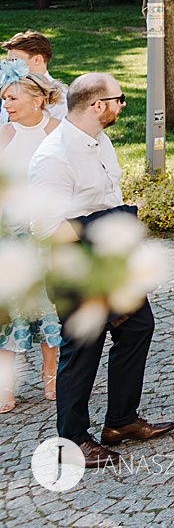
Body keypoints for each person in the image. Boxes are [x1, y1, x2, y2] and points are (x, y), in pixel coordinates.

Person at [28, 73, 174, 468]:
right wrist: (109, 222)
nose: (123, 105)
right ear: (97, 105)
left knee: (138, 325)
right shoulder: (54, 156)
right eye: (119, 99)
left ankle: (121, 421)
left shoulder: (100, 141)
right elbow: (45, 229)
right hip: (75, 268)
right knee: (83, 350)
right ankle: (72, 440)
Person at [0, 72, 63, 413]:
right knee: (8, 308)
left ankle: (50, 372)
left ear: (36, 101)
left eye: (12, 98)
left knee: (46, 305)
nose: (5, 104)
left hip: (46, 233)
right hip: (9, 235)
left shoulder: (57, 133)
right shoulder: (3, 135)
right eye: (4, 99)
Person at [1, 30, 67, 122]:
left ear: (37, 60)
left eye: (15, 61)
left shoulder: (59, 96)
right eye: (8, 62)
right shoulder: (8, 89)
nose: (10, 66)